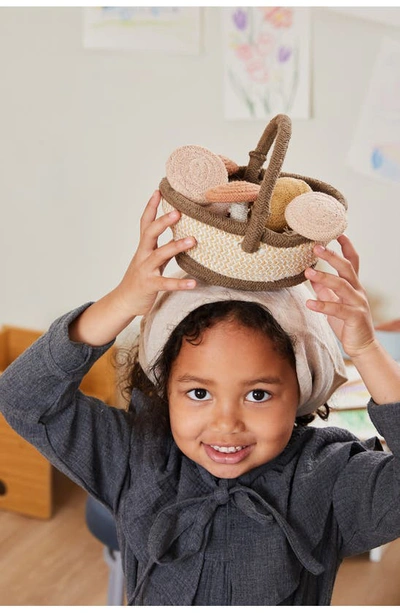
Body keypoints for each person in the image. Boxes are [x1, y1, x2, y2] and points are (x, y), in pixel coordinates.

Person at [1, 190, 400, 606]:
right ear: (165, 388)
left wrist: (367, 349)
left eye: (258, 394)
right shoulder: (135, 457)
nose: (226, 423)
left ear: (301, 388)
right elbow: (23, 398)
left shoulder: (331, 480)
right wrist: (120, 303)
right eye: (198, 392)